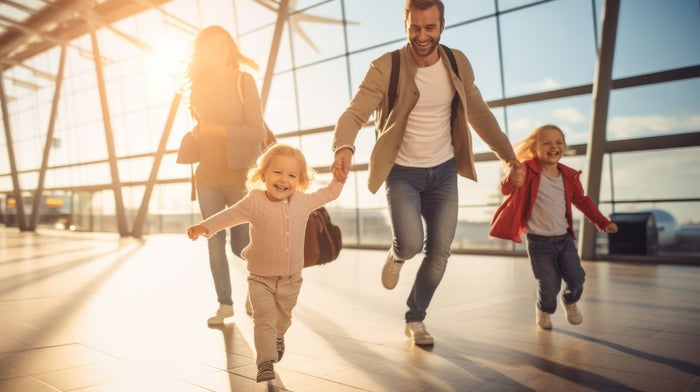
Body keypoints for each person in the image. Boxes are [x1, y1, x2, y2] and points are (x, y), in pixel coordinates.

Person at [331, 0, 524, 346]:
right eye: (415, 28)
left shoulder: (456, 63)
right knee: (410, 243)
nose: (422, 36)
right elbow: (354, 113)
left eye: (430, 28)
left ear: (442, 26)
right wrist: (343, 145)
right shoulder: (385, 66)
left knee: (439, 251)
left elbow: (479, 114)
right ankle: (397, 254)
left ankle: (415, 317)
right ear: (406, 25)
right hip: (402, 172)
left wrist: (509, 157)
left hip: (444, 171)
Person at [187, 144, 345, 382]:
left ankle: (279, 337)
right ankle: (265, 363)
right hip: (260, 278)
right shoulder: (254, 202)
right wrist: (205, 227)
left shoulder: (303, 202)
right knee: (263, 321)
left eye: (292, 175)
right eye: (277, 172)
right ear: (264, 174)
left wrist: (339, 178)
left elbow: (329, 193)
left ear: (300, 181)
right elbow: (228, 216)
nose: (284, 179)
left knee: (282, 320)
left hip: (292, 279)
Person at [489, 124, 619, 330]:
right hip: (538, 242)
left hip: (564, 239)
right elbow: (507, 188)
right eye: (546, 143)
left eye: (559, 142)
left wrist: (602, 222)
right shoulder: (528, 170)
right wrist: (512, 177)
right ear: (534, 149)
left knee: (577, 278)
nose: (553, 146)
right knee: (549, 283)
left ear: (564, 147)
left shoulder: (568, 176)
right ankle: (544, 310)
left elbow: (583, 202)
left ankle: (569, 301)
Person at [184, 25, 268, 325]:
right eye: (210, 46)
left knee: (240, 244)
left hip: (240, 177)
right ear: (202, 53)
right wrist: (197, 134)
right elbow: (202, 126)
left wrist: (214, 130)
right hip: (207, 175)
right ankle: (224, 304)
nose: (217, 50)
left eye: (223, 44)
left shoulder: (243, 81)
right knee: (213, 239)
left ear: (231, 48)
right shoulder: (197, 88)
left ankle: (255, 288)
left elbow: (256, 132)